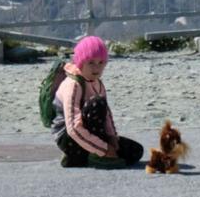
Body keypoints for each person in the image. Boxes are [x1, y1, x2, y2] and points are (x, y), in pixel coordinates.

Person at [52, 35, 144, 168]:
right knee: (97, 103)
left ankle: (79, 158)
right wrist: (104, 149)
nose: (96, 68)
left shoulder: (98, 83)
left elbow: (106, 114)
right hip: (69, 138)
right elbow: (73, 128)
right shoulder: (73, 85)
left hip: (88, 134)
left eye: (101, 63)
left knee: (135, 151)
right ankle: (93, 156)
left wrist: (112, 139)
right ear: (81, 62)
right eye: (91, 63)